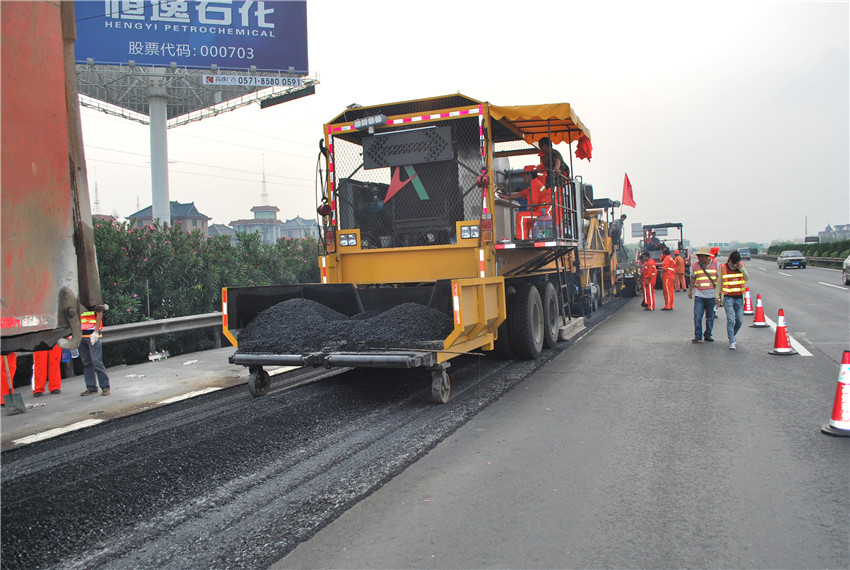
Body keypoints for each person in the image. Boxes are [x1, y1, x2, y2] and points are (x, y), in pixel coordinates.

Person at [501, 165, 551, 240]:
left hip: (541, 213)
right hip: (540, 211)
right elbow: (521, 194)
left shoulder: (535, 185)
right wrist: (507, 196)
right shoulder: (534, 184)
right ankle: (525, 238)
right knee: (525, 216)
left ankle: (521, 239)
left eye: (524, 176)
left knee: (521, 216)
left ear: (529, 176)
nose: (523, 178)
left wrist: (529, 210)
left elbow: (534, 203)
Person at [716, 250, 749, 349]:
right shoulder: (723, 267)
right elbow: (719, 283)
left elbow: (746, 278)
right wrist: (716, 296)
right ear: (729, 260)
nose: (734, 264)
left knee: (739, 320)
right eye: (733, 262)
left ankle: (732, 335)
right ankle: (732, 341)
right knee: (730, 320)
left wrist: (741, 269)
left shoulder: (740, 266)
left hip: (739, 298)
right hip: (728, 298)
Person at [688, 247, 718, 342]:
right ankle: (698, 335)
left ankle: (708, 334)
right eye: (699, 257)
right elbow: (693, 278)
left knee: (710, 317)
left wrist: (720, 294)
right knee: (697, 315)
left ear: (707, 256)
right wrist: (690, 290)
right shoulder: (695, 265)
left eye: (702, 257)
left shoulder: (716, 265)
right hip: (699, 295)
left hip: (712, 295)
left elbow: (720, 280)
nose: (700, 259)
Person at [79, 308, 111, 396]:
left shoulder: (92, 299)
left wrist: (96, 332)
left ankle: (105, 387)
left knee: (96, 361)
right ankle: (91, 387)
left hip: (92, 334)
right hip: (81, 334)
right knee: (86, 362)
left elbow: (99, 314)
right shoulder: (77, 300)